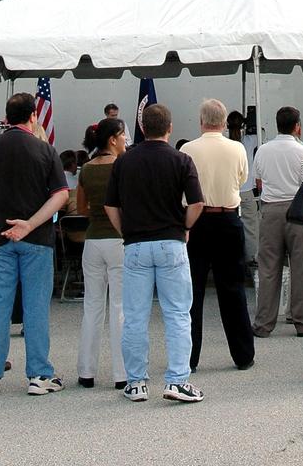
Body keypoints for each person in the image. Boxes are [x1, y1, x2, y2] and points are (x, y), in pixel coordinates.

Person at [105, 102, 205, 403]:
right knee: (177, 314)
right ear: (170, 128)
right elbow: (197, 203)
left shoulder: (124, 161)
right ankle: (177, 380)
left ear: (142, 128)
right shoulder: (182, 159)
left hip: (136, 243)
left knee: (135, 316)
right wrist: (184, 226)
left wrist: (127, 232)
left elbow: (110, 205)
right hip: (171, 241)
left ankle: (136, 383)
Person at [0, 92, 69, 396]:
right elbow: (60, 194)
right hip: (37, 238)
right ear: (33, 117)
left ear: (6, 117)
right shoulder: (45, 150)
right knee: (36, 307)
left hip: (0, 235)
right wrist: (29, 223)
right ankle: (39, 375)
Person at [181, 100, 255, 372]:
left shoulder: (187, 148)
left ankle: (190, 357)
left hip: (197, 219)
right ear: (224, 123)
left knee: (193, 290)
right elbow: (241, 179)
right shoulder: (237, 148)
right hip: (228, 217)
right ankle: (243, 354)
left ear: (201, 121)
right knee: (233, 288)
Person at [251, 105, 303, 338]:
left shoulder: (263, 151)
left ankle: (263, 323)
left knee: (269, 267)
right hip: (298, 211)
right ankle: (302, 321)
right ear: (297, 126)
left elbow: (259, 184)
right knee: (302, 267)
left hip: (270, 209)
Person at [76, 116, 126, 389]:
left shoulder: (86, 168)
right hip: (119, 240)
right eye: (123, 136)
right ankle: (121, 373)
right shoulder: (122, 166)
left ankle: (86, 370)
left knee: (93, 306)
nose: (125, 141)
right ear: (113, 139)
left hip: (93, 239)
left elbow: (81, 208)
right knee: (119, 306)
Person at [227, 110, 259, 268]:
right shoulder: (249, 140)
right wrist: (250, 124)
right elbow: (262, 133)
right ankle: (251, 258)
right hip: (245, 190)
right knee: (251, 227)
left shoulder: (225, 143)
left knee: (228, 227)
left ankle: (231, 257)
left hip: (228, 191)